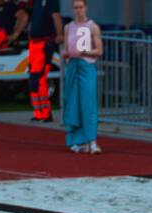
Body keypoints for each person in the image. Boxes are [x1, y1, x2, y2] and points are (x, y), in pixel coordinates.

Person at [62, 0, 103, 154]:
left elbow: (99, 50)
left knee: (88, 103)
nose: (78, 10)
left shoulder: (92, 26)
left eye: (80, 7)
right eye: (75, 7)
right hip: (73, 65)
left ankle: (92, 141)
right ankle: (77, 140)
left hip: (86, 66)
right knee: (73, 102)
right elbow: (66, 49)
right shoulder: (68, 27)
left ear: (85, 8)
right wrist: (67, 54)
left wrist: (84, 52)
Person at [16, 0, 62, 122]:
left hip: (44, 43)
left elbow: (56, 17)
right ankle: (38, 113)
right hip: (34, 44)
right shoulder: (36, 2)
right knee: (33, 79)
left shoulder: (51, 2)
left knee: (39, 78)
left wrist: (59, 35)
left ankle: (46, 114)